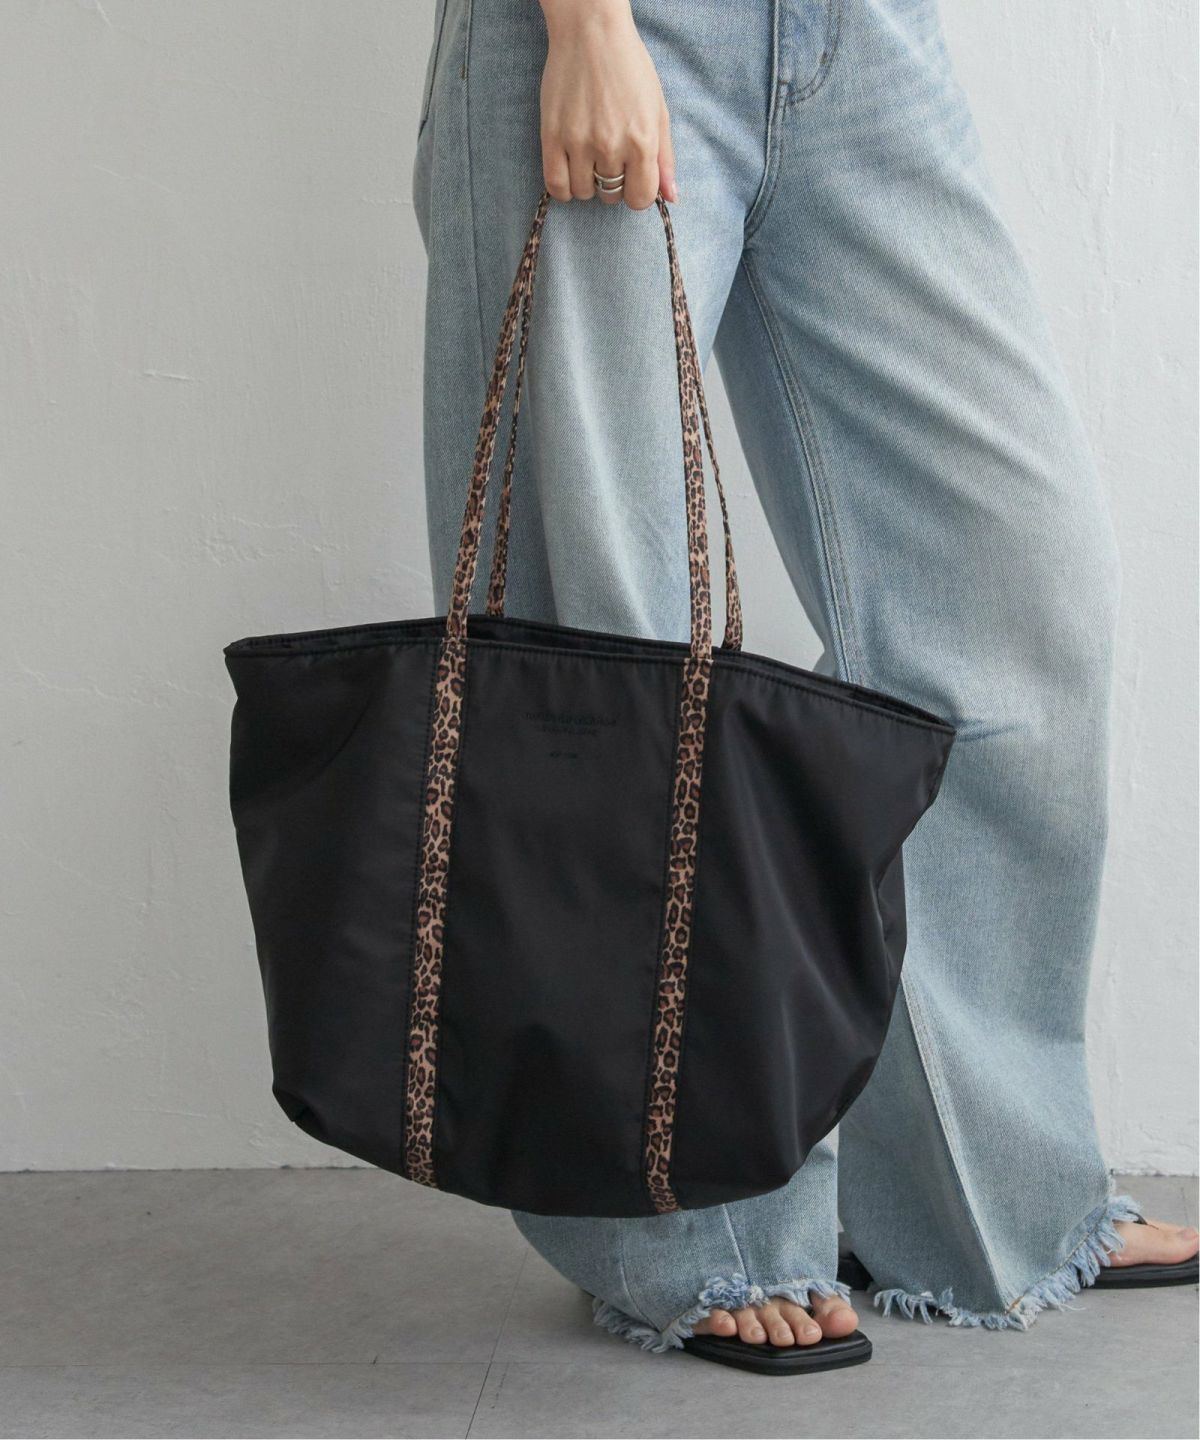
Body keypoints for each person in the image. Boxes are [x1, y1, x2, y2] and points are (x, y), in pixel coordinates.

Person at [412, 0, 1198, 1371]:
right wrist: (585, 24)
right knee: (608, 651)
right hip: (614, 28)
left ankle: (977, 1200)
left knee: (1013, 604)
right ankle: (687, 1236)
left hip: (864, 40)